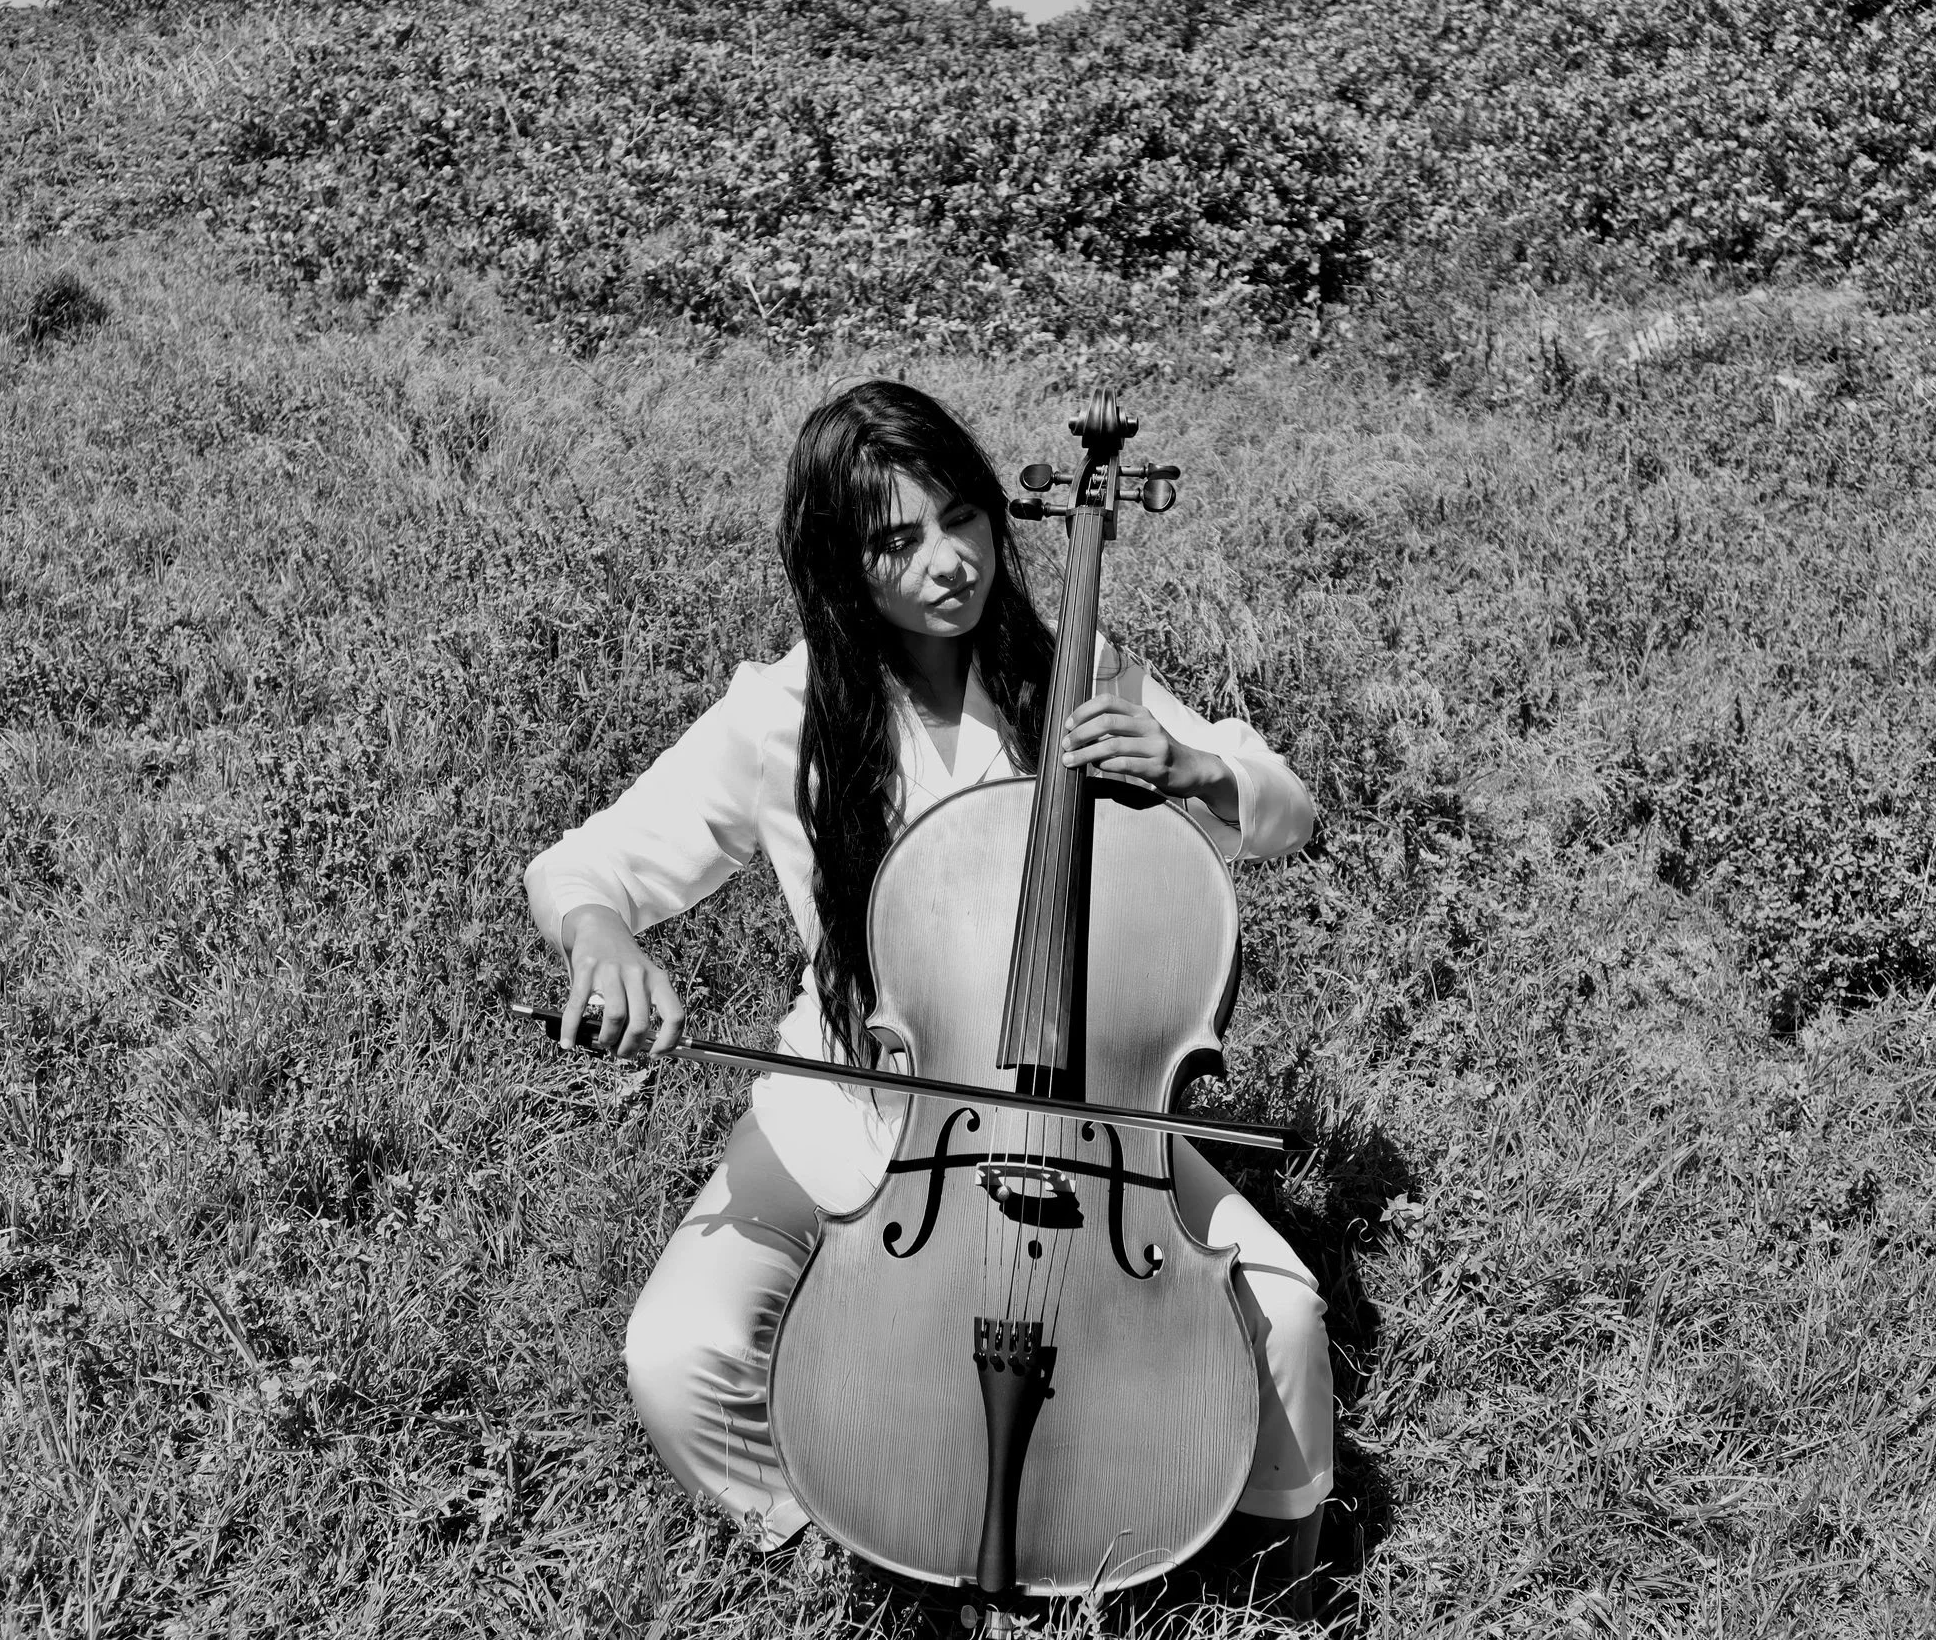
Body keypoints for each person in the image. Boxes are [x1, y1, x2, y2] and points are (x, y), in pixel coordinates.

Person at [524, 380, 1331, 1606]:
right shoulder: (779, 715)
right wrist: (600, 934)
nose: (948, 562)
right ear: (838, 564)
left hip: (1082, 1120)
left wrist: (1192, 768)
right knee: (676, 1353)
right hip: (861, 1110)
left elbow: (1284, 809)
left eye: (960, 517)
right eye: (896, 541)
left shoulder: (1073, 670)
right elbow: (585, 866)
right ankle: (851, 1529)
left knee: (1285, 1317)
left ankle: (1267, 1590)